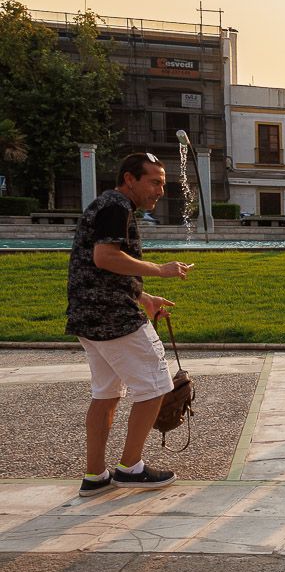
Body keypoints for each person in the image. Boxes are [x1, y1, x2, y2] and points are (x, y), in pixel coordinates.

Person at [66, 152, 194, 497]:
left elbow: (101, 270)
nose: (160, 190)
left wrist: (145, 296)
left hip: (88, 316)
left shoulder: (108, 205)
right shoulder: (117, 207)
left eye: (163, 183)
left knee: (105, 394)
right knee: (156, 385)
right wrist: (159, 269)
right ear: (129, 179)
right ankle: (130, 468)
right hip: (113, 318)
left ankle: (95, 475)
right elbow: (105, 257)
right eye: (153, 182)